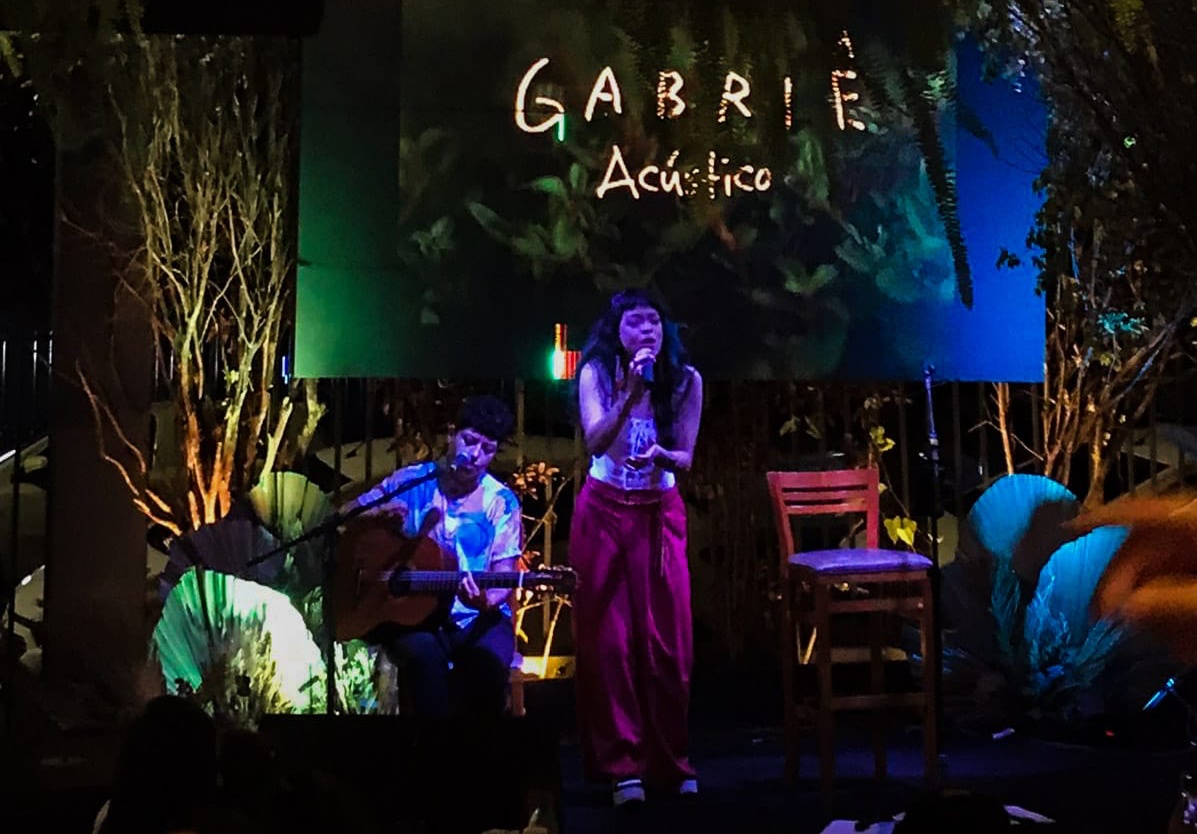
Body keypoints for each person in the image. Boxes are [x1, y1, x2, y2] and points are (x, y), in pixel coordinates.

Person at [569, 288, 704, 806]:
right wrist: (627, 393)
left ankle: (672, 760)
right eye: (634, 323)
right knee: (612, 644)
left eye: (653, 322)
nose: (645, 330)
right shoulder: (597, 375)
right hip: (603, 512)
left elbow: (686, 458)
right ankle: (622, 766)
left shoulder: (686, 381)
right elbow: (595, 442)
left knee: (668, 644)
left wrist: (663, 454)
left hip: (658, 514)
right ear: (616, 333)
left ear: (664, 331)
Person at [337, 394, 523, 717]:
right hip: (414, 615)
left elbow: (504, 575)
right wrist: (377, 516)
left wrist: (485, 600)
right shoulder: (412, 482)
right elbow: (342, 516)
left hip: (477, 616)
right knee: (425, 666)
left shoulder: (501, 502)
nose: (475, 456)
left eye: (487, 449)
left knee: (485, 670)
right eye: (470, 441)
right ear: (452, 434)